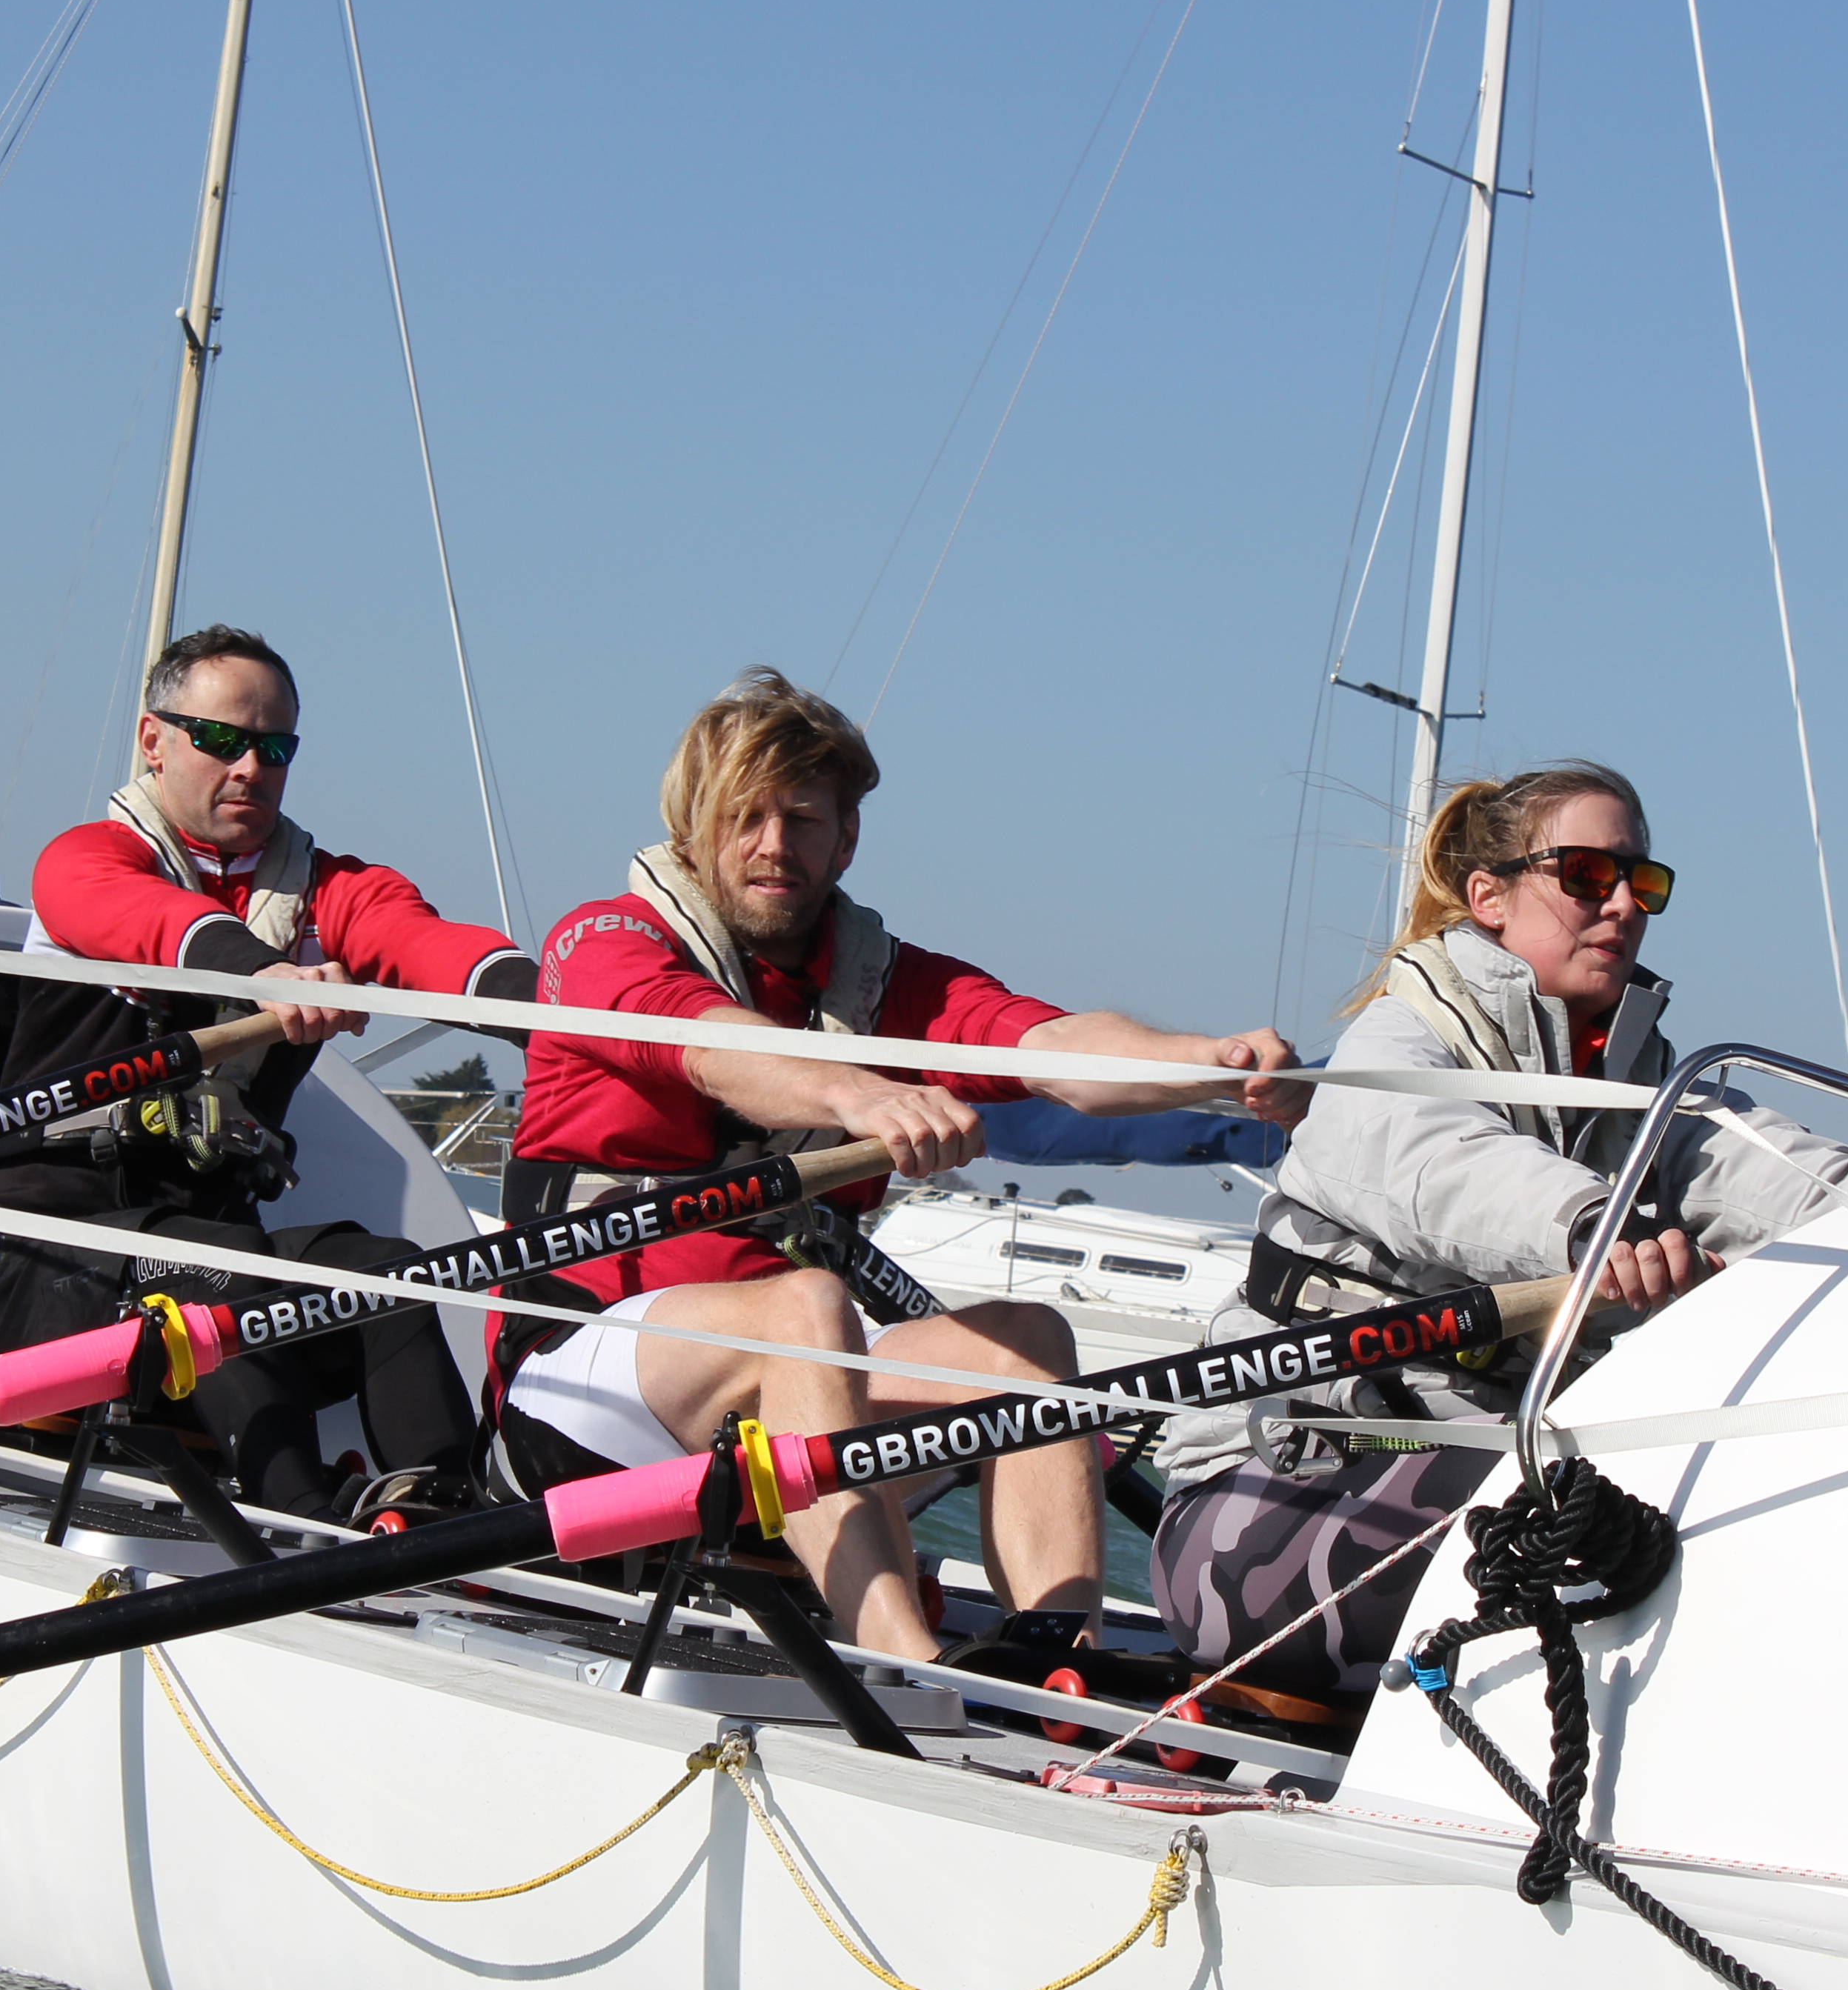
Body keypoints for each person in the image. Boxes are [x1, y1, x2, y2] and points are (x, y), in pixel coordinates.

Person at [500, 667, 1309, 1663]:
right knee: (808, 1308)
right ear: (692, 829)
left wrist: (1211, 1064)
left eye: (802, 820)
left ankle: (1054, 1664)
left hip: (790, 1402)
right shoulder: (604, 943)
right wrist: (860, 1095)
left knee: (1027, 1340)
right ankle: (906, 1665)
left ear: (846, 839)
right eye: (744, 817)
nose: (773, 845)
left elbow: (1050, 1046)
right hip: (577, 1395)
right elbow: (712, 1048)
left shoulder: (885, 982)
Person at [1153, 765, 1848, 1707]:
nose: (1623, 904)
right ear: (1490, 898)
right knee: (1588, 1508)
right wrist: (1595, 1229)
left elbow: (1790, 1178)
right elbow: (1438, 1162)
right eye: (1587, 874)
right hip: (1259, 1520)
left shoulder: (1644, 1094)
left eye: (1643, 882)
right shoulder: (1396, 1046)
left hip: (1481, 1488)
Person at [0, 625, 535, 1517]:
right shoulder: (87, 861)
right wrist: (267, 976)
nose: (251, 768)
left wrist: (561, 1019)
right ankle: (298, 1520)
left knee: (385, 1271)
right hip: (46, 1265)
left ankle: (442, 1516)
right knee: (215, 1266)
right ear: (154, 741)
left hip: (210, 1260)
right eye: (221, 740)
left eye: (275, 749)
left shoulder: (324, 893)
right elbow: (153, 923)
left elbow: (427, 944)